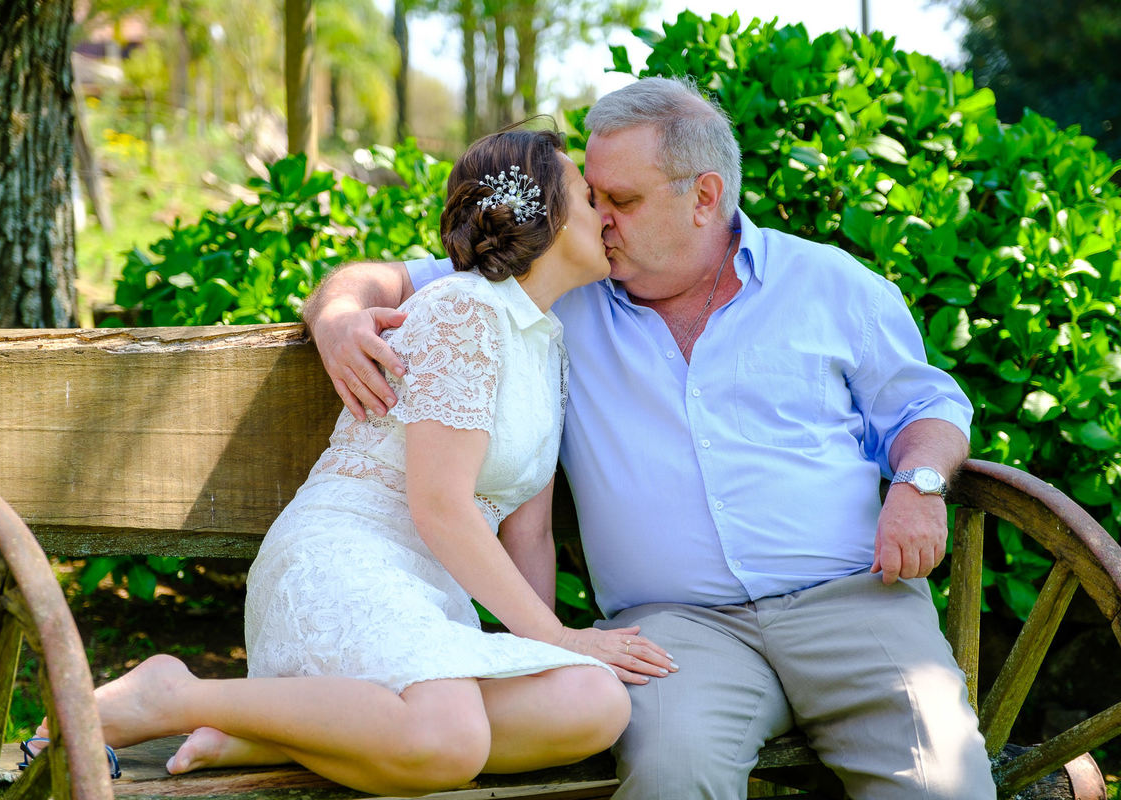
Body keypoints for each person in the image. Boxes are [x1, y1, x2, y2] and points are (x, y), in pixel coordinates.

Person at [305, 77, 997, 799]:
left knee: (944, 785)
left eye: (622, 201)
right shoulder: (558, 284)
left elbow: (926, 405)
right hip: (675, 631)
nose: (598, 220)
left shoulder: (831, 285)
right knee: (672, 777)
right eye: (593, 197)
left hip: (855, 603)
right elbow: (389, 278)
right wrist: (339, 315)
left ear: (702, 197)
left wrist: (920, 485)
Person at [35, 128, 675, 796]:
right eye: (587, 192)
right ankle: (178, 694)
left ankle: (274, 732)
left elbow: (529, 532)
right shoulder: (463, 310)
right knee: (450, 742)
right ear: (540, 210)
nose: (606, 212)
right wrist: (556, 635)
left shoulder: (546, 343)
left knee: (593, 705)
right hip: (348, 561)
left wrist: (543, 651)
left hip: (428, 590)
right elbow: (441, 507)